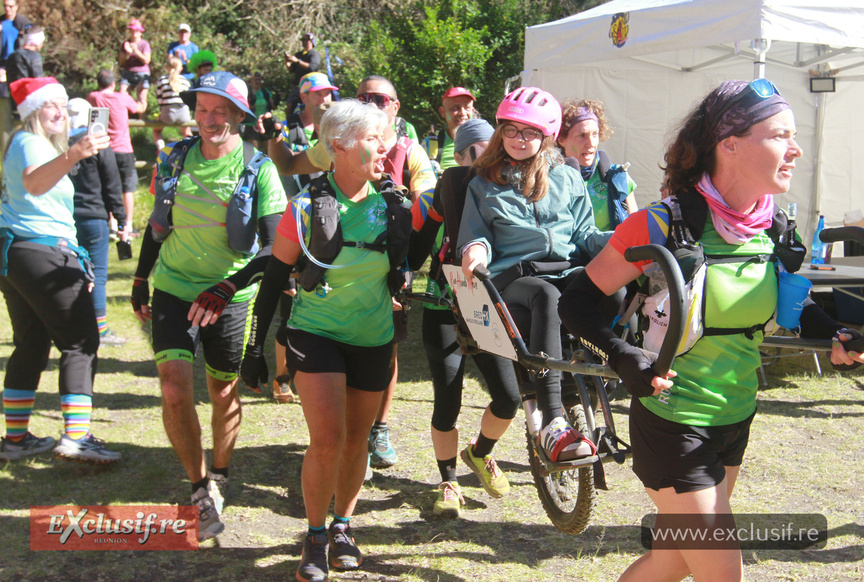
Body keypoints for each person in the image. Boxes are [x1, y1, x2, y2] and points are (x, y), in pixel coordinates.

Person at [559, 79, 864, 582]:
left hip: (736, 415)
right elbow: (577, 302)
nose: (797, 147)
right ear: (730, 143)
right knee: (722, 572)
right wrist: (622, 356)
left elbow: (794, 303)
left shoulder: (772, 227)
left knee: (674, 560)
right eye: (780, 134)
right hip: (673, 422)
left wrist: (834, 332)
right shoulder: (661, 224)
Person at [240, 98, 409, 582]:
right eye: (374, 139)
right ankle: (314, 535)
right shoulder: (304, 207)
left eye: (385, 138)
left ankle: (342, 527)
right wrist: (255, 350)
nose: (385, 147)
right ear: (338, 144)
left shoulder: (394, 205)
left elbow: (413, 262)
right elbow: (273, 281)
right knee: (329, 439)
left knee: (357, 440)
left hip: (373, 337)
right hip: (316, 334)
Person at [129, 71, 287, 542]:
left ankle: (220, 472)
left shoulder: (259, 168)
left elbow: (274, 249)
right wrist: (141, 278)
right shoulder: (176, 158)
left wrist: (225, 288)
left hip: (230, 297)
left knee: (222, 392)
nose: (209, 119)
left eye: (220, 111)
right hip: (175, 289)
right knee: (175, 388)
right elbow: (159, 226)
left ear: (238, 116)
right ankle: (199, 489)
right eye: (202, 109)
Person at [263, 74, 436, 469]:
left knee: (385, 348)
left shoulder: (411, 151)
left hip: (389, 264)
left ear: (396, 107)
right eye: (363, 96)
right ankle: (349, 441)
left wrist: (401, 250)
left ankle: (379, 428)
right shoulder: (347, 140)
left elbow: (427, 200)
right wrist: (272, 136)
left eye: (381, 98)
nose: (371, 102)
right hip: (335, 272)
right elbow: (288, 164)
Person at [459, 86, 611, 464]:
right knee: (547, 295)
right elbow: (475, 234)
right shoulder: (482, 184)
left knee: (616, 290)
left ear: (546, 137)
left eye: (529, 132)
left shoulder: (567, 178)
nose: (519, 139)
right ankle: (553, 421)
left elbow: (585, 236)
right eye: (511, 130)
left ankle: (616, 376)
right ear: (500, 131)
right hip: (514, 278)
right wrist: (475, 250)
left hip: (565, 270)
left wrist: (625, 242)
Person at [0, 77, 122, 464]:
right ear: (32, 111)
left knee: (32, 344)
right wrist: (73, 155)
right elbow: (34, 184)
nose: (58, 112)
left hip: (18, 254)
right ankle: (76, 438)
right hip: (42, 253)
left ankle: (15, 440)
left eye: (61, 105)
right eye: (49, 105)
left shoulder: (28, 143)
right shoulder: (29, 142)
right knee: (81, 342)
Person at [408, 117, 522, 517]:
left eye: (490, 145)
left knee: (508, 398)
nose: (485, 154)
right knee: (448, 401)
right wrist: (399, 277)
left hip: (482, 301)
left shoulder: (506, 185)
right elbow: (419, 245)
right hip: (443, 302)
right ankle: (449, 481)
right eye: (476, 149)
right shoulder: (448, 188)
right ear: (458, 156)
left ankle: (480, 453)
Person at [67, 97, 129, 347]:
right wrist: (122, 218)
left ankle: (71, 326)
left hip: (68, 218)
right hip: (95, 217)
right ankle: (100, 330)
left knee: (71, 274)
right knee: (98, 275)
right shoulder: (99, 144)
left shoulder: (60, 144)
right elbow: (112, 184)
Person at [558, 98, 637, 231]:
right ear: (561, 140)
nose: (591, 143)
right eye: (582, 135)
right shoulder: (550, 179)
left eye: (595, 134)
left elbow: (634, 230)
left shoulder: (618, 177)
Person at [87, 68, 146, 237]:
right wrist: (142, 92)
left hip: (104, 149)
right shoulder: (122, 97)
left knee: (107, 187)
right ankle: (127, 225)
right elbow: (140, 108)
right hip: (124, 149)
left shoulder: (94, 97)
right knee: (127, 189)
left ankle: (112, 224)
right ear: (114, 83)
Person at [152, 56, 192, 153]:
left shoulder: (162, 80)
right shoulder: (185, 81)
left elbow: (160, 100)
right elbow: (188, 99)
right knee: (186, 132)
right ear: (181, 68)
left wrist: (161, 115)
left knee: (156, 130)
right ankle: (189, 149)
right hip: (184, 114)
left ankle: (161, 149)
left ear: (167, 67)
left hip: (168, 113)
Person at [435, 86, 476, 170]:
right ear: (442, 112)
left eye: (467, 107)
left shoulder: (485, 140)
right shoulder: (433, 141)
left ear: (472, 111)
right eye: (455, 108)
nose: (462, 113)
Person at [284, 32, 320, 114]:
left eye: (305, 40)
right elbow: (291, 70)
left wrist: (298, 61)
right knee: (289, 107)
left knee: (308, 107)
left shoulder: (314, 54)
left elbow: (312, 67)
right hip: (297, 86)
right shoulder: (298, 54)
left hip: (309, 86)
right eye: (302, 40)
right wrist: (287, 62)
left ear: (311, 41)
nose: (303, 42)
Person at [117, 18, 151, 105]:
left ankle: (142, 117)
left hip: (142, 73)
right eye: (132, 30)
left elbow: (147, 60)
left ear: (140, 32)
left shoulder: (144, 44)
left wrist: (136, 51)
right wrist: (127, 53)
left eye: (136, 30)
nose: (134, 32)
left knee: (142, 97)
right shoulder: (125, 44)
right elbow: (121, 61)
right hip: (128, 73)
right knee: (122, 94)